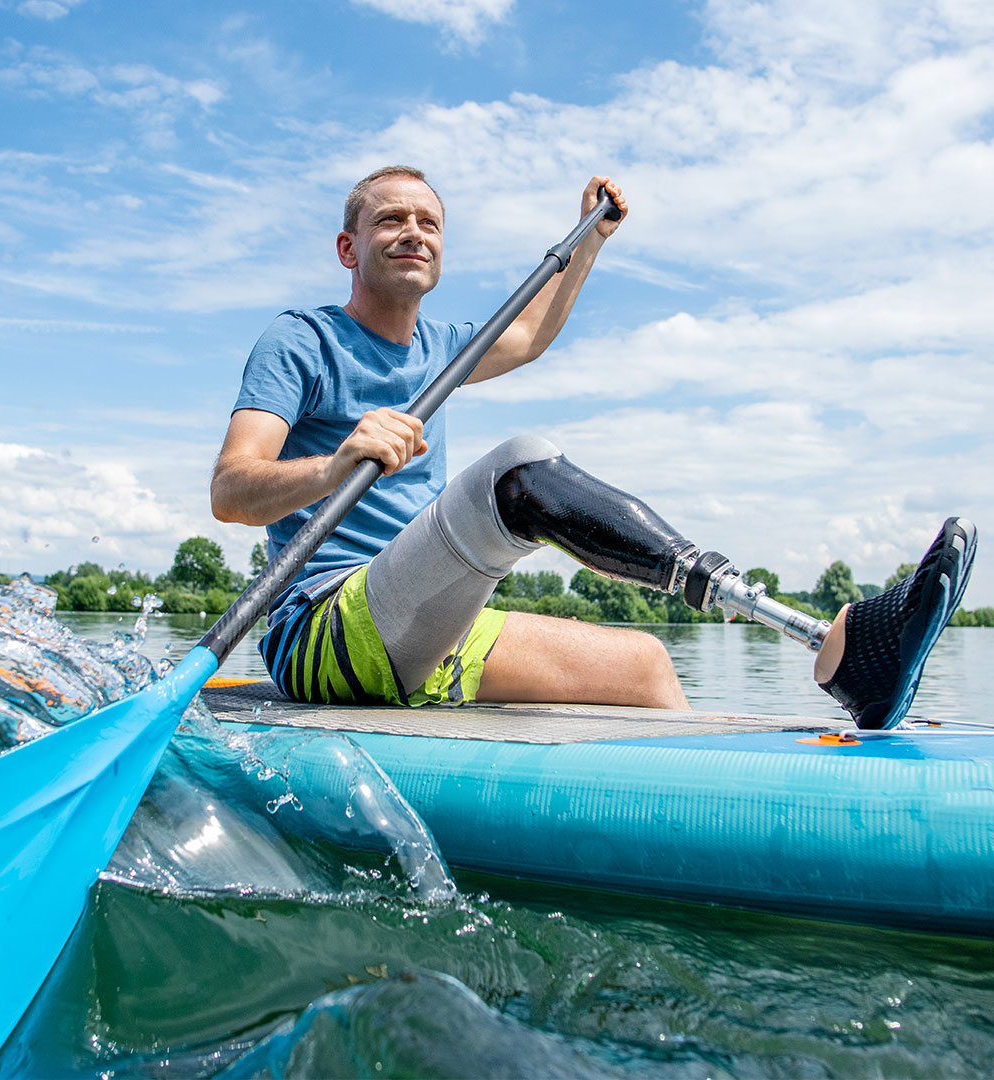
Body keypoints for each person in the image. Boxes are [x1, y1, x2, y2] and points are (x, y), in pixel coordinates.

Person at [212, 166, 975, 730]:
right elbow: (232, 491)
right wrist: (335, 462)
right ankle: (818, 633)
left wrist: (591, 242)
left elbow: (530, 335)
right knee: (520, 471)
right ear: (349, 248)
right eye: (391, 221)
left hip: (423, 625)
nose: (414, 231)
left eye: (429, 222)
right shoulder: (301, 340)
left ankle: (727, 800)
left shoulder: (441, 348)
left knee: (644, 663)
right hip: (320, 631)